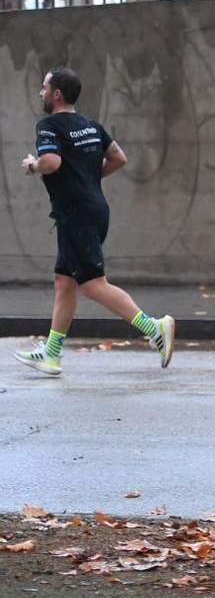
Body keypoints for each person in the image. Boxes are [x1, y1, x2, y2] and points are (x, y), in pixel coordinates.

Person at [12, 67, 174, 376]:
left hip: (76, 215)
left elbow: (52, 162)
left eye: (44, 87)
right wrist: (87, 179)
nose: (41, 92)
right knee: (64, 281)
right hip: (91, 209)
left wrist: (33, 165)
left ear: (56, 93)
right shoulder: (91, 126)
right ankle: (52, 353)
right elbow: (119, 158)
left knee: (92, 284)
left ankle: (154, 328)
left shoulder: (49, 126)